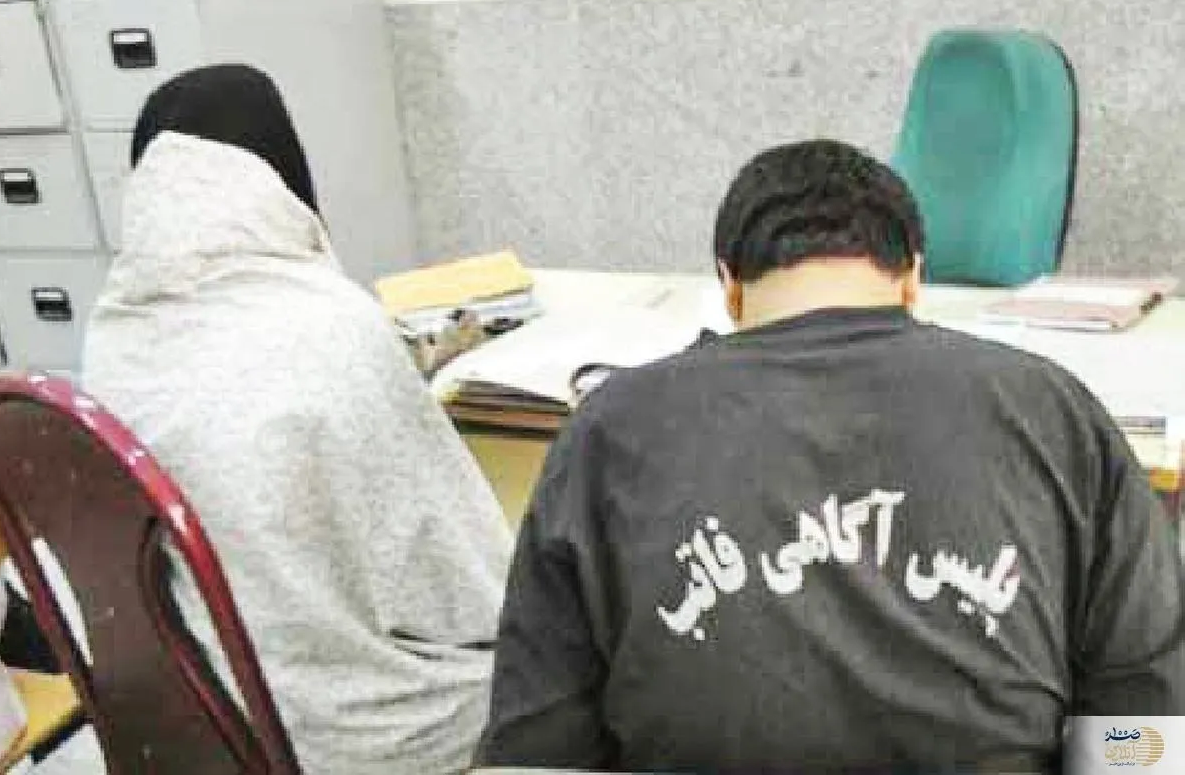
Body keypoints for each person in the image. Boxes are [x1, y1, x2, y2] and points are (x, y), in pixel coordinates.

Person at [475, 139, 1185, 773]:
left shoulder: (609, 428)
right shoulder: (1053, 410)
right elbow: (1145, 735)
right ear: (912, 278)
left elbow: (536, 751)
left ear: (730, 287)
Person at [83, 64, 514, 775]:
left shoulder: (112, 339)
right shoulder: (334, 327)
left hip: (201, 712)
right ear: (277, 170)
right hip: (350, 736)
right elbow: (470, 588)